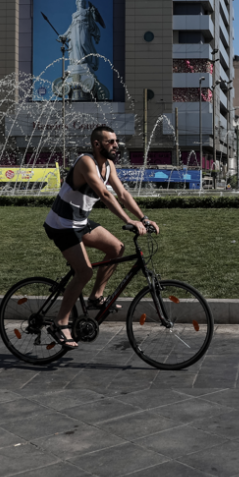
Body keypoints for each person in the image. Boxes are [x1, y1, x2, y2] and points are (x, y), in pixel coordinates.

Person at [43, 124, 159, 348]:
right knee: (84, 271)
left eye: (116, 141)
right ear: (97, 144)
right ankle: (60, 322)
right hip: (61, 224)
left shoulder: (109, 166)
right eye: (111, 142)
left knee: (116, 248)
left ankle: (96, 297)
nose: (116, 145)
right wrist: (128, 221)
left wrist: (143, 218)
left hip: (80, 222)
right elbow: (104, 194)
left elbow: (122, 193)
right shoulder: (86, 162)